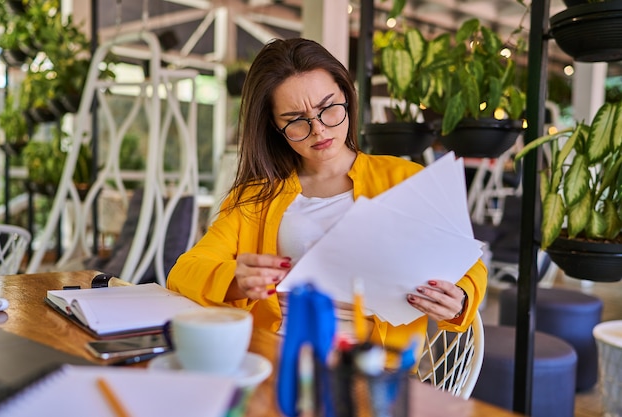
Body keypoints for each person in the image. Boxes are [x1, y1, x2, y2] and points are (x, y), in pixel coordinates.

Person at [167, 38, 487, 353]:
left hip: (371, 365)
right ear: (273, 128)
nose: (319, 129)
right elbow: (184, 271)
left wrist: (458, 298)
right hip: (276, 356)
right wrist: (236, 279)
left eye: (328, 108)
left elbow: (467, 264)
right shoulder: (255, 196)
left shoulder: (404, 179)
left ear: (347, 97)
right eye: (295, 121)